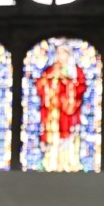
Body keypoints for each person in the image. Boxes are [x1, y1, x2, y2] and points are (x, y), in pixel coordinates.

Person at [35, 44, 87, 172]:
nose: (60, 56)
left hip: (68, 114)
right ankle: (51, 163)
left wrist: (66, 82)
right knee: (52, 137)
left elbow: (80, 88)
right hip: (52, 112)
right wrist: (49, 80)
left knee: (69, 137)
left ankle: (70, 163)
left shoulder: (75, 71)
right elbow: (40, 85)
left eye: (63, 53)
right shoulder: (51, 69)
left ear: (69, 55)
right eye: (58, 53)